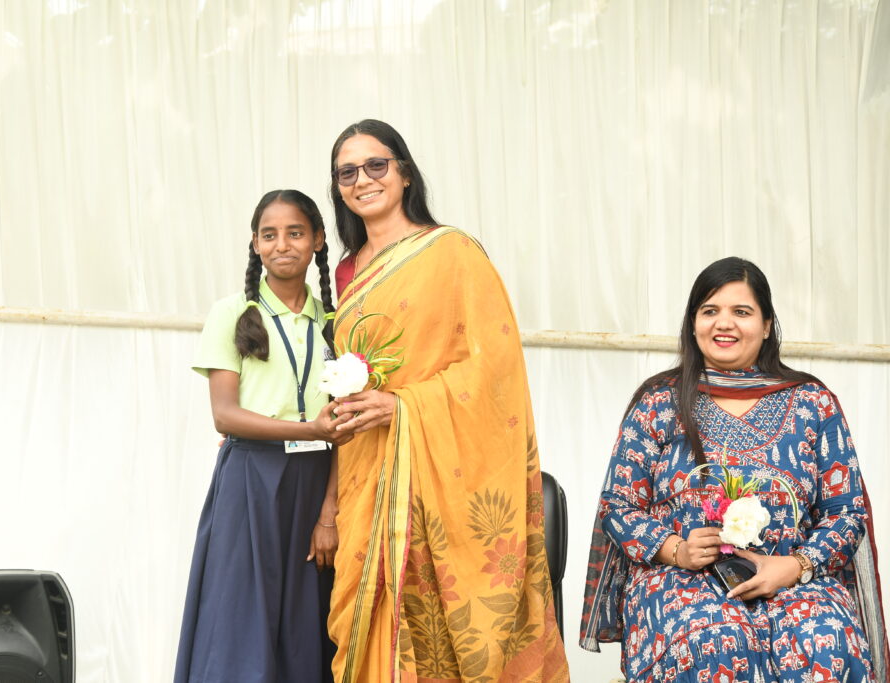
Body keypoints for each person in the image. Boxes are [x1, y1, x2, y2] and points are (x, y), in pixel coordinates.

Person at [325, 119, 569, 682]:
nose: (363, 180)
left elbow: (495, 368)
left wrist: (404, 406)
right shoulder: (347, 270)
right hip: (366, 472)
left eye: (376, 165)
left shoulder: (452, 252)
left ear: (405, 173)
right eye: (347, 172)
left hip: (438, 474)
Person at [580, 257, 889, 682]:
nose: (724, 323)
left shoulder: (813, 403)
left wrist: (794, 566)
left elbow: (847, 512)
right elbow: (618, 506)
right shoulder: (659, 402)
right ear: (693, 324)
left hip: (795, 580)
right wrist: (676, 549)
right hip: (680, 581)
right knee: (717, 642)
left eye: (741, 311)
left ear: (766, 325)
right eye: (710, 311)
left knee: (825, 641)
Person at [173, 189, 349, 683]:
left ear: (317, 240)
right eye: (269, 235)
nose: (282, 245)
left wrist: (329, 512)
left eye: (295, 233)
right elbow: (225, 416)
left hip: (316, 480)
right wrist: (309, 428)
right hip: (251, 478)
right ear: (255, 244)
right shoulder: (231, 312)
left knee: (305, 623)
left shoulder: (335, 322)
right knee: (239, 618)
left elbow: (346, 428)